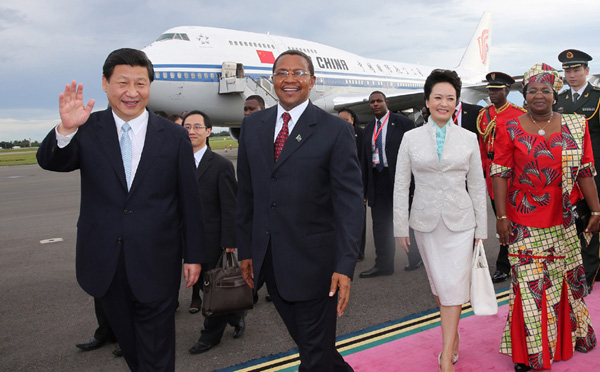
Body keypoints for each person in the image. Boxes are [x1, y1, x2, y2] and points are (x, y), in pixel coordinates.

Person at [36, 48, 205, 372]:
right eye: (122, 82)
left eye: (140, 83)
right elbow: (52, 161)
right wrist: (66, 129)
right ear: (105, 83)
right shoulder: (88, 128)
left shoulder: (173, 136)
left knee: (156, 353)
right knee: (132, 349)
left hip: (157, 261)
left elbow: (189, 200)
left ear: (150, 87)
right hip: (105, 264)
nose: (131, 92)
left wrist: (194, 255)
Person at [236, 50, 363, 372]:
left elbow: (349, 203)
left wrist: (345, 265)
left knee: (314, 357)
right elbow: (247, 195)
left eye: (298, 73)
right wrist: (246, 251)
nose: (289, 79)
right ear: (272, 79)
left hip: (317, 267)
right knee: (315, 347)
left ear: (312, 81)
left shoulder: (334, 130)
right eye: (281, 73)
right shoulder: (252, 126)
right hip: (270, 264)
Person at [492, 63, 599, 371]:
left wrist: (596, 210)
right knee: (528, 286)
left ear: (556, 94)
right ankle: (531, 354)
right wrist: (501, 216)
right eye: (532, 91)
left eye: (546, 90)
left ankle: (564, 339)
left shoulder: (576, 125)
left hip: (562, 222)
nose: (539, 95)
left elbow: (585, 171)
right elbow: (500, 173)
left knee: (557, 282)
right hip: (523, 220)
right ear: (524, 96)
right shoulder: (508, 126)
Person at [394, 69, 487, 372]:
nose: (444, 103)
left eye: (450, 98)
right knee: (440, 285)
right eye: (438, 97)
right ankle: (454, 334)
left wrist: (482, 229)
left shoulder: (469, 138)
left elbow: (477, 185)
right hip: (425, 223)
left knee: (451, 286)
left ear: (457, 103)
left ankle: (446, 354)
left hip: (462, 223)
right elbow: (400, 184)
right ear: (427, 101)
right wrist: (399, 226)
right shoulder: (410, 138)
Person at [182, 111, 245, 354]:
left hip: (211, 239)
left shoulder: (221, 165)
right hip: (182, 238)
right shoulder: (174, 163)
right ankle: (236, 312)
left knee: (213, 287)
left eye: (198, 126)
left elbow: (230, 206)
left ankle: (210, 335)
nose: (192, 131)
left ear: (208, 131)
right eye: (187, 126)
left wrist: (230, 240)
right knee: (203, 287)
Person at [360, 91, 421, 278]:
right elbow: (364, 160)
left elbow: (416, 155)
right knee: (380, 224)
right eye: (372, 102)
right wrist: (364, 189)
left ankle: (415, 257)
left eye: (379, 101)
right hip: (377, 180)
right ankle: (383, 265)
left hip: (400, 179)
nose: (375, 104)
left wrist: (414, 186)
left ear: (386, 102)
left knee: (406, 220)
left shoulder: (403, 123)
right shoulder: (369, 128)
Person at [476, 72, 527, 283]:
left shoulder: (518, 114)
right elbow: (481, 147)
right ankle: (511, 259)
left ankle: (505, 264)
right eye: (490, 90)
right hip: (491, 176)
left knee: (511, 219)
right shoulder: (484, 115)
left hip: (511, 176)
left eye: (497, 90)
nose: (492, 94)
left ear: (507, 91)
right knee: (501, 218)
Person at [557, 49, 600, 290]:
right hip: (567, 175)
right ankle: (576, 269)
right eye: (567, 71)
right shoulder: (560, 101)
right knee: (575, 223)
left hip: (594, 172)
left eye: (576, 70)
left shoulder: (597, 98)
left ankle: (589, 273)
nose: (571, 75)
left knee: (593, 222)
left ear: (586, 71)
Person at [338, 107, 367, 261]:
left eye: (345, 120)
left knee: (358, 220)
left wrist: (364, 190)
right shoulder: (336, 133)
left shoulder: (361, 134)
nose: (342, 123)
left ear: (353, 120)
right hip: (341, 183)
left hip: (358, 185)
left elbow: (364, 161)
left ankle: (359, 252)